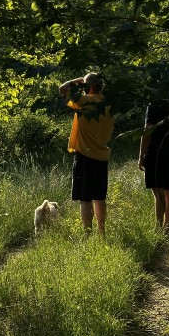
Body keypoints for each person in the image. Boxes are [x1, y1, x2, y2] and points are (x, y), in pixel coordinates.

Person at [59, 72, 114, 236]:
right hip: (102, 155)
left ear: (88, 86)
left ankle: (87, 233)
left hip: (85, 156)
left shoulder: (83, 102)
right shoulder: (108, 104)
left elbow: (62, 89)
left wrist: (77, 80)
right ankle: (101, 232)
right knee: (99, 196)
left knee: (85, 198)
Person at [138, 99, 169, 230]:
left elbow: (147, 132)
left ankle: (158, 227)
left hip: (154, 152)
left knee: (158, 191)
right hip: (166, 151)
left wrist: (141, 156)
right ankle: (167, 225)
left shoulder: (153, 105)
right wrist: (168, 147)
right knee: (167, 189)